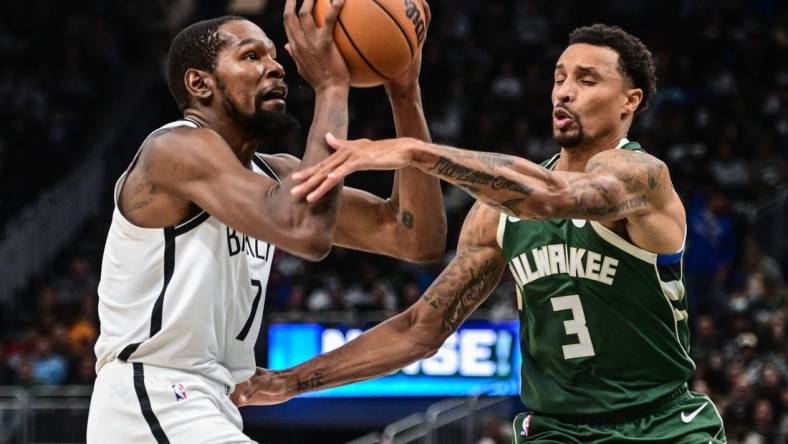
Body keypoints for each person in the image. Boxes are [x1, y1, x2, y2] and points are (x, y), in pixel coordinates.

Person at [234, 24, 727, 443]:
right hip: (557, 429)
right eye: (559, 79)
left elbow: (553, 197)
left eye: (586, 80)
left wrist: (416, 152)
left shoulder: (643, 177)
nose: (564, 91)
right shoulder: (496, 214)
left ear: (630, 101)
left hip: (661, 426)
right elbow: (420, 330)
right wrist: (291, 381)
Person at [86, 0, 445, 442]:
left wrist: (405, 94)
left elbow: (414, 237)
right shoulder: (174, 151)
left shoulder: (274, 176)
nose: (275, 68)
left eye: (275, 56)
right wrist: (333, 88)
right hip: (152, 394)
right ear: (200, 83)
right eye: (251, 56)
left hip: (207, 402)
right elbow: (305, 232)